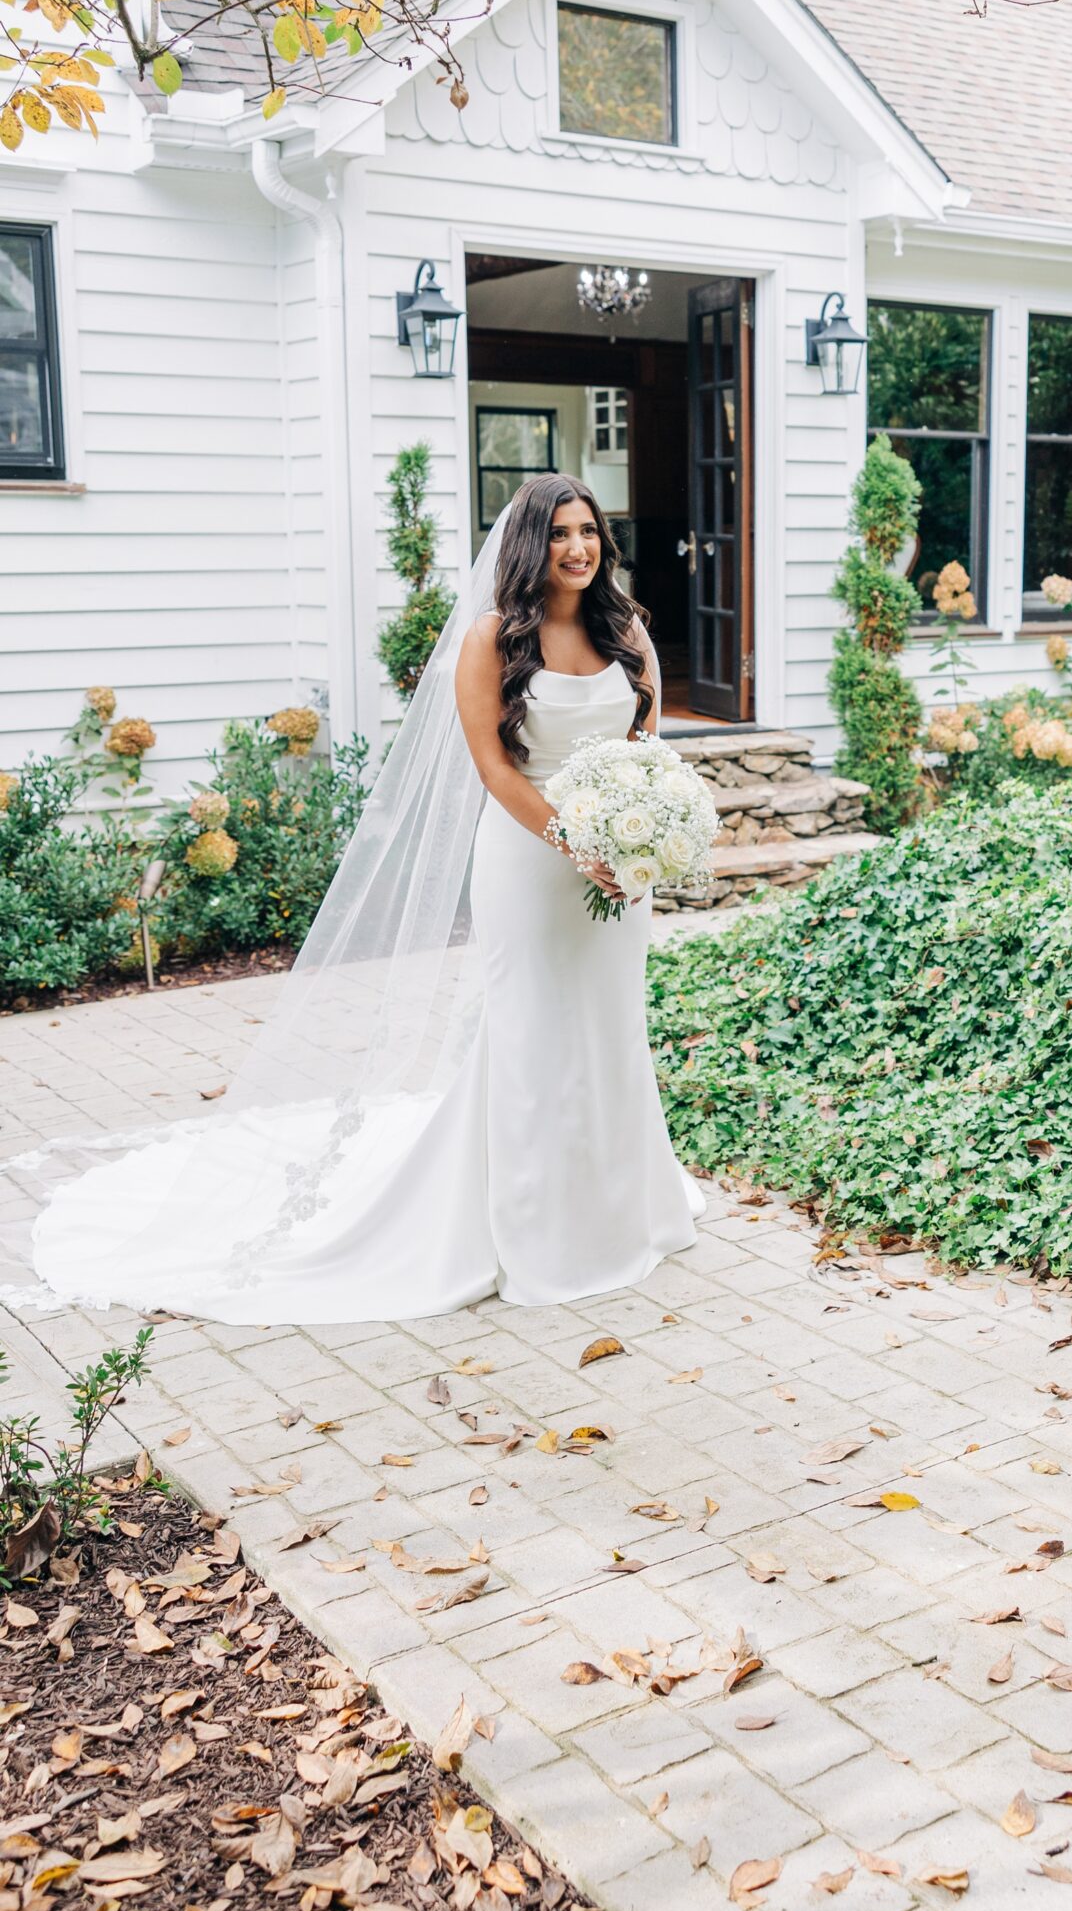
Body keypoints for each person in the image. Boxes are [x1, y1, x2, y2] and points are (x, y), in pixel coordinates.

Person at [22, 473, 702, 1323]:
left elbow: (644, 746)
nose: (578, 547)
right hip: (531, 863)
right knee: (529, 1033)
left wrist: (639, 839)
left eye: (589, 531)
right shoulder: (494, 639)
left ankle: (624, 1208)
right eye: (560, 532)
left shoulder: (626, 627)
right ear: (531, 543)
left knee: (609, 1028)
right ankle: (537, 1231)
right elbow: (493, 768)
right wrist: (575, 841)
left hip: (615, 875)